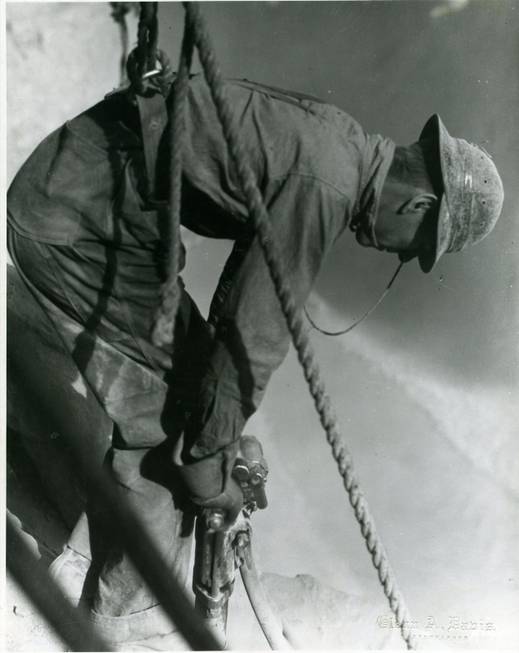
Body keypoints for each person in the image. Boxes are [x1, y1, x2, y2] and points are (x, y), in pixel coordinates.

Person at [6, 73, 504, 647]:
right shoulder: (325, 189)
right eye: (416, 245)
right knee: (168, 439)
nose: (397, 253)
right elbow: (251, 344)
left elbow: (232, 319)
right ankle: (125, 623)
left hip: (88, 191)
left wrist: (222, 437)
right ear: (420, 203)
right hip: (73, 221)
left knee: (196, 414)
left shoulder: (340, 142)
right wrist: (211, 472)